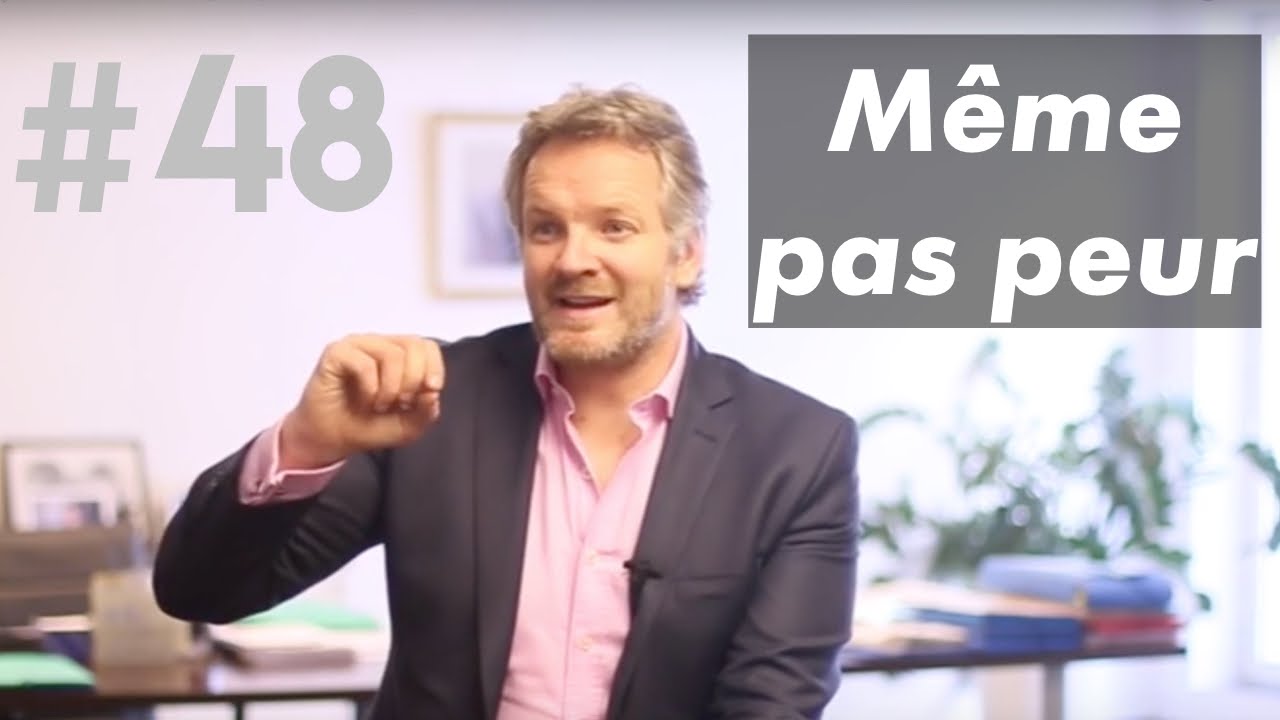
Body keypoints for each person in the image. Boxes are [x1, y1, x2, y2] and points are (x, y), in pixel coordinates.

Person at [152, 85, 861, 720]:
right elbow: (199, 591)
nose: (572, 259)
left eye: (614, 226)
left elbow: (771, 703)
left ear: (686, 254)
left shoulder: (797, 450)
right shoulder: (427, 405)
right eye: (546, 228)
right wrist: (308, 443)